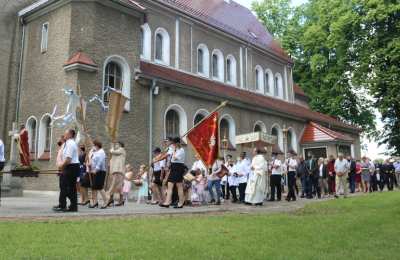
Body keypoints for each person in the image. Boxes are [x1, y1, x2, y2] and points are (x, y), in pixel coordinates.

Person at [53, 129, 80, 212]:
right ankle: (71, 206)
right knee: (66, 186)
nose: (64, 135)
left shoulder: (71, 144)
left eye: (66, 133)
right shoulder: (67, 143)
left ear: (70, 135)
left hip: (71, 166)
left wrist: (62, 166)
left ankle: (64, 206)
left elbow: (68, 159)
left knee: (66, 186)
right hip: (69, 166)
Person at [160, 137, 186, 209]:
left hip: (178, 167)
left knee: (179, 186)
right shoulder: (175, 149)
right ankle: (167, 202)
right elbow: (168, 154)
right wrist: (169, 149)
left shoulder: (181, 150)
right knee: (169, 185)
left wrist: (174, 151)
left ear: (177, 143)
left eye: (174, 143)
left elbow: (174, 158)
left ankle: (180, 203)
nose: (173, 145)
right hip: (173, 167)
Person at [88, 140, 108, 209]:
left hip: (100, 171)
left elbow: (100, 162)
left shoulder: (101, 152)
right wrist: (90, 165)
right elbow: (92, 160)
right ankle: (95, 202)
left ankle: (106, 201)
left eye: (93, 145)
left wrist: (96, 169)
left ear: (97, 145)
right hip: (94, 171)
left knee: (99, 187)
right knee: (94, 187)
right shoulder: (95, 152)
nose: (93, 147)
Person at [106, 141, 126, 207]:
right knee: (118, 186)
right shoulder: (118, 152)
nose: (116, 145)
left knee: (114, 184)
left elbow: (112, 151)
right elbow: (113, 158)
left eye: (117, 144)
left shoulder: (121, 150)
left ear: (120, 145)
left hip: (118, 170)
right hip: (115, 170)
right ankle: (121, 200)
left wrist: (112, 146)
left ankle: (109, 198)